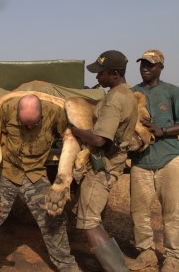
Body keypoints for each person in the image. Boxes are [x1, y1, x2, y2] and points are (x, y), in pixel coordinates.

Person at [0, 94, 81, 272]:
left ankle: (67, 266)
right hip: (7, 171)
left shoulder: (55, 113)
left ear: (42, 112)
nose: (30, 127)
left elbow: (69, 137)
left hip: (35, 174)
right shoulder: (6, 109)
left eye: (35, 123)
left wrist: (63, 178)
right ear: (17, 112)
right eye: (25, 123)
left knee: (53, 217)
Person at [70, 50, 137, 271]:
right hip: (110, 163)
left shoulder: (116, 99)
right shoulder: (124, 93)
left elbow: (99, 139)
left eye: (101, 73)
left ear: (114, 74)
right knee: (93, 218)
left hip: (103, 167)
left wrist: (76, 130)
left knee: (89, 221)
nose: (97, 77)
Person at [128, 50, 179, 271]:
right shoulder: (131, 94)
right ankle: (146, 253)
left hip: (169, 158)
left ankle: (173, 258)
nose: (145, 68)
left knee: (172, 213)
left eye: (151, 64)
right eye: (143, 64)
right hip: (140, 162)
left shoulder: (171, 91)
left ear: (160, 68)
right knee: (139, 212)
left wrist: (163, 131)